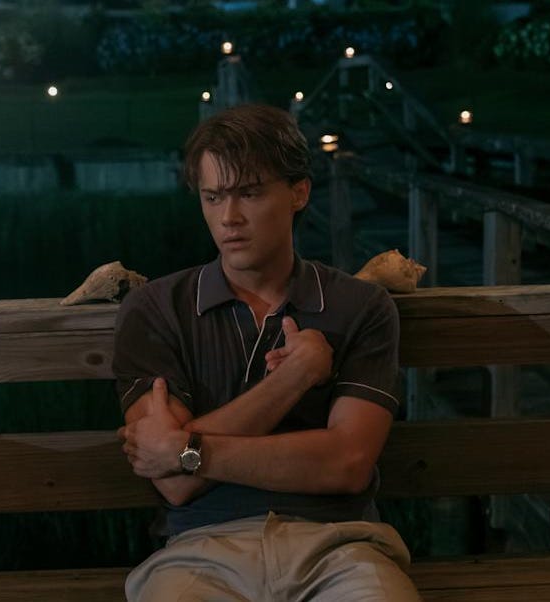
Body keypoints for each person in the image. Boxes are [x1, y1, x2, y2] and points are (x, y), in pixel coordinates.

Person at [114, 103, 420, 601]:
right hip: (200, 550)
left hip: (339, 546)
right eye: (213, 197)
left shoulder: (360, 306)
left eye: (250, 193)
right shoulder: (156, 309)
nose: (229, 218)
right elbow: (174, 485)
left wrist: (190, 450)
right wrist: (293, 378)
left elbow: (347, 463)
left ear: (299, 192)